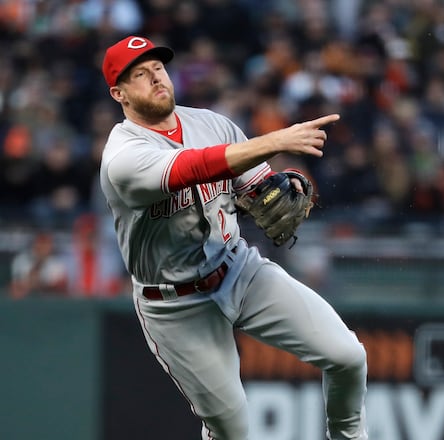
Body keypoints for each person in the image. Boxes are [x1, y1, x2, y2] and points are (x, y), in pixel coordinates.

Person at [98, 36, 367, 440]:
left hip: (238, 268)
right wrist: (277, 140)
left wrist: (271, 189)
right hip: (176, 305)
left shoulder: (212, 124)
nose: (156, 78)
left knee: (348, 357)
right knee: (232, 429)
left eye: (158, 68)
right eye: (140, 75)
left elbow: (256, 187)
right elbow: (191, 168)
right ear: (119, 93)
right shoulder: (122, 156)